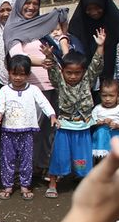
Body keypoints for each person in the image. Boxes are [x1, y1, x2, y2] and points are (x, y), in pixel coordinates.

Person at [4, 0, 69, 174]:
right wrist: (43, 61)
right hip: (29, 88)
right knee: (29, 131)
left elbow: (62, 44)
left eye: (35, 3)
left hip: (51, 85)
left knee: (49, 131)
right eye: (28, 2)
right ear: (20, 3)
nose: (31, 7)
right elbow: (17, 57)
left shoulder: (42, 26)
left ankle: (44, 167)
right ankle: (24, 170)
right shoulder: (12, 28)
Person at [44, 29, 107, 198]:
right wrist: (49, 57)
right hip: (64, 125)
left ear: (84, 72)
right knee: (59, 155)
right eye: (68, 72)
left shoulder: (87, 79)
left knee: (83, 156)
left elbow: (96, 64)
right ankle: (52, 183)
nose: (72, 76)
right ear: (63, 71)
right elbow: (52, 71)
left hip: (83, 124)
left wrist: (100, 46)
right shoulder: (60, 81)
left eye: (77, 73)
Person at [0, 55, 57, 201]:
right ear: (9, 72)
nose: (18, 78)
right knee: (7, 159)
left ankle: (25, 186)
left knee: (26, 160)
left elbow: (43, 103)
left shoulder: (33, 89)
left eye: (22, 74)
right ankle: (8, 185)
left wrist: (52, 115)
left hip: (27, 131)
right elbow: (0, 105)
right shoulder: (4, 90)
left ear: (28, 74)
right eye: (15, 74)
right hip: (8, 131)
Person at [67, 0, 119, 90]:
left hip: (111, 84)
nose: (94, 12)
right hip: (84, 85)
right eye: (89, 9)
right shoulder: (77, 25)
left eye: (97, 7)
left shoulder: (117, 23)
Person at [91, 81, 119, 161]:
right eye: (104, 96)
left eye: (111, 96)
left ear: (118, 96)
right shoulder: (97, 108)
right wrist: (99, 123)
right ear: (100, 95)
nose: (107, 99)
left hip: (115, 136)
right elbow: (92, 122)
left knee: (116, 157)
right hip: (101, 137)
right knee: (101, 157)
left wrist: (116, 126)